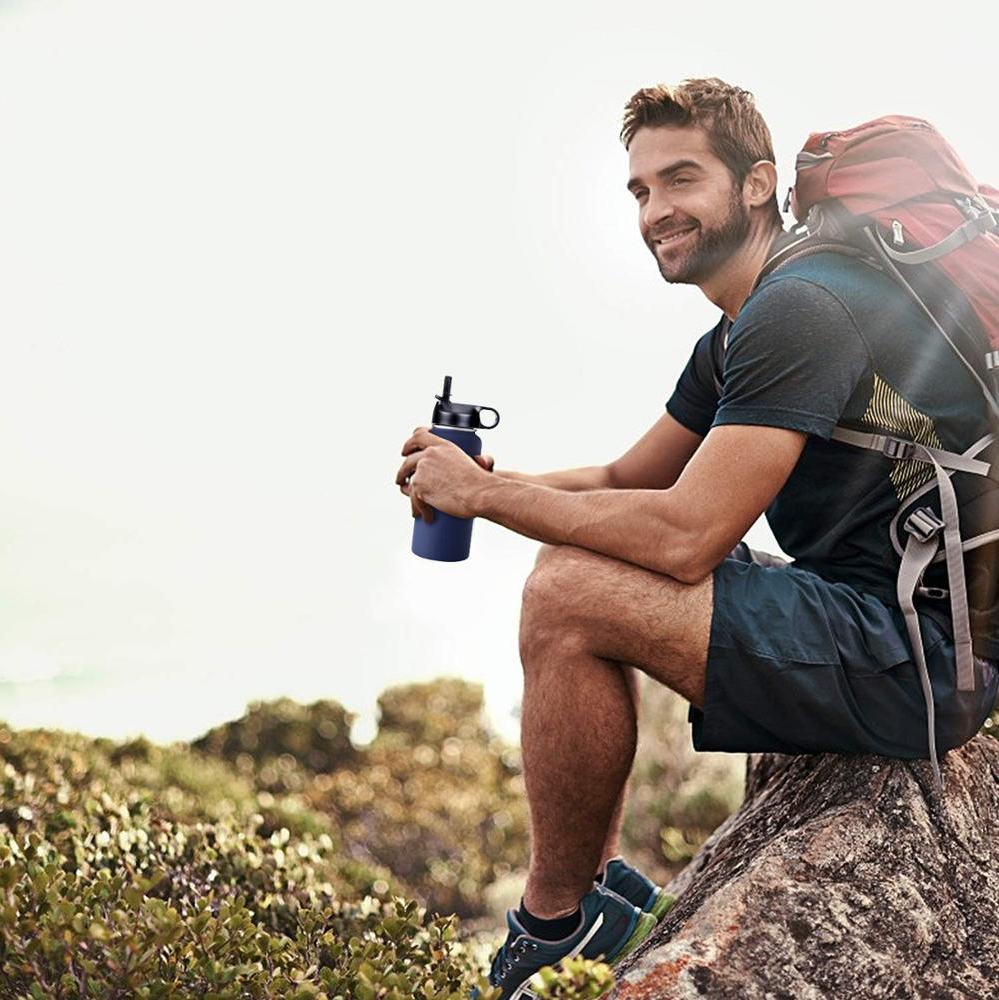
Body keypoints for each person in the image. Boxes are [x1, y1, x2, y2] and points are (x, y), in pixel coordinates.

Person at [394, 77, 999, 996]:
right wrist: (478, 480)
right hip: (892, 625)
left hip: (920, 661)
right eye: (639, 190)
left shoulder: (802, 309)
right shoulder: (744, 328)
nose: (656, 211)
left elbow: (685, 534)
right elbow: (619, 483)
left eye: (681, 179)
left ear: (757, 184)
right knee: (576, 561)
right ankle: (590, 899)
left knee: (568, 591)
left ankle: (554, 927)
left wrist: (482, 505)